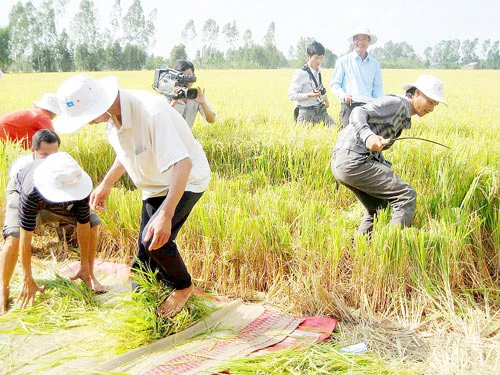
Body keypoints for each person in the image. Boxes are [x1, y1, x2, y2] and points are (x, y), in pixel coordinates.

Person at [54, 74, 211, 318]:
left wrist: (166, 215)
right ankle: (146, 307)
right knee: (142, 259)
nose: (89, 123)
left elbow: (183, 164)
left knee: (156, 242)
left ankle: (183, 286)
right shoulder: (112, 118)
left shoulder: (151, 112)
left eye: (87, 117)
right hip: (154, 185)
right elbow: (127, 153)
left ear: (100, 104)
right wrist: (106, 184)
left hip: (185, 180)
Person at [331, 75, 447, 235]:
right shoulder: (397, 103)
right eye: (430, 102)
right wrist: (368, 136)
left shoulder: (403, 113)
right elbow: (358, 111)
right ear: (417, 93)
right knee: (406, 195)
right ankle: (392, 247)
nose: (432, 108)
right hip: (353, 159)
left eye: (435, 104)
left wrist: (381, 160)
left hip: (345, 161)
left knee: (378, 206)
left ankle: (359, 248)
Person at [0, 152, 105, 312]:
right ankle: (3, 289)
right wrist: (27, 277)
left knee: (93, 224)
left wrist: (84, 265)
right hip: (24, 193)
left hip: (60, 199)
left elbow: (83, 224)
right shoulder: (30, 190)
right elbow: (25, 235)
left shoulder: (79, 184)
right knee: (14, 237)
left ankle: (88, 274)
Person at [330, 27, 383, 127]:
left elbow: (378, 88)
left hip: (368, 107)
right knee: (346, 138)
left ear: (369, 42)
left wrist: (378, 105)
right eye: (357, 39)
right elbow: (335, 84)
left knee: (367, 138)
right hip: (349, 106)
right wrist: (343, 95)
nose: (360, 42)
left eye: (364, 39)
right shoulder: (343, 61)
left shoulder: (375, 64)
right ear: (353, 41)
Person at [288, 41, 335, 126]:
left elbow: (320, 86)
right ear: (308, 57)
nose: (319, 61)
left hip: (320, 110)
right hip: (306, 111)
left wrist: (324, 98)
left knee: (335, 129)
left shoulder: (318, 71)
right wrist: (309, 95)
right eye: (316, 58)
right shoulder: (301, 73)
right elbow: (291, 95)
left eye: (321, 58)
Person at [167, 60, 216, 128]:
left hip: (186, 137)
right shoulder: (168, 94)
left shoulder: (195, 95)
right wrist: (173, 102)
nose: (187, 81)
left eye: (189, 76)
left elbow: (211, 120)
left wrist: (203, 103)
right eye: (183, 77)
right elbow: (160, 121)